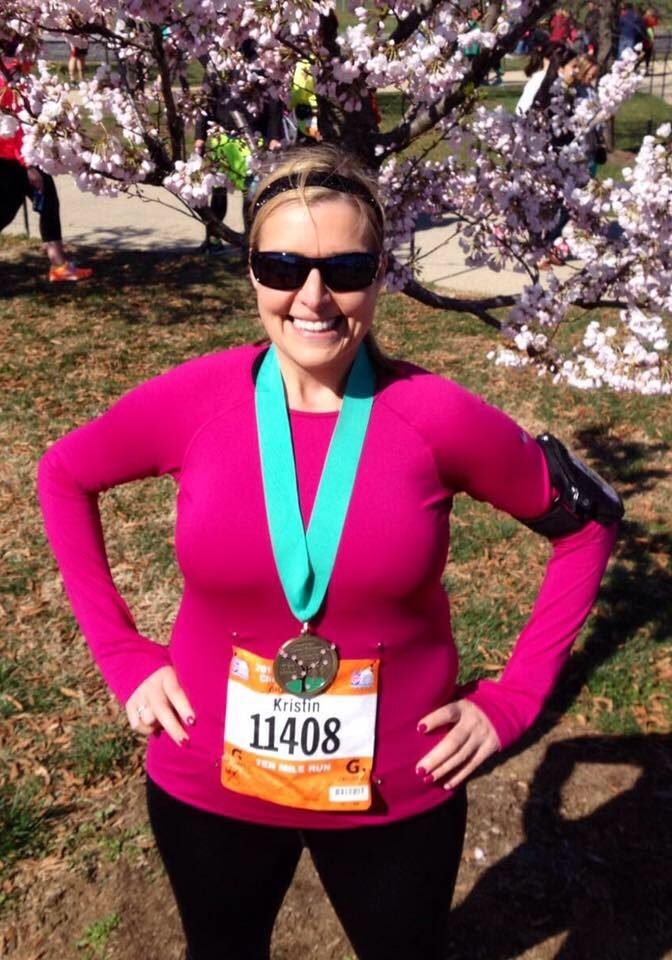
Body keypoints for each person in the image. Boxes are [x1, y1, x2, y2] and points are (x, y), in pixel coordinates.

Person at [37, 144, 620, 960]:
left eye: (344, 267)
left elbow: (588, 523)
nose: (312, 296)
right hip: (209, 780)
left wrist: (515, 700)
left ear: (380, 274)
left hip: (400, 791)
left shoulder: (434, 417)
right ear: (250, 272)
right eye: (282, 265)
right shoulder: (197, 401)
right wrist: (122, 654)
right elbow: (63, 476)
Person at [0, 39, 93, 282]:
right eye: (31, 53)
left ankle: (59, 265)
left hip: (21, 156)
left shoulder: (15, 77)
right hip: (13, 160)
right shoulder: (8, 81)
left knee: (49, 202)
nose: (33, 59)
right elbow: (14, 128)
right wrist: (29, 165)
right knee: (6, 210)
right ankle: (59, 264)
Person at [194, 39, 283, 252]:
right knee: (218, 191)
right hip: (221, 138)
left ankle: (249, 241)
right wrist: (200, 135)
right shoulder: (217, 67)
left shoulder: (263, 69)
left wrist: (274, 136)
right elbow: (205, 102)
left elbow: (274, 106)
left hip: (252, 140)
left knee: (250, 194)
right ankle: (213, 238)